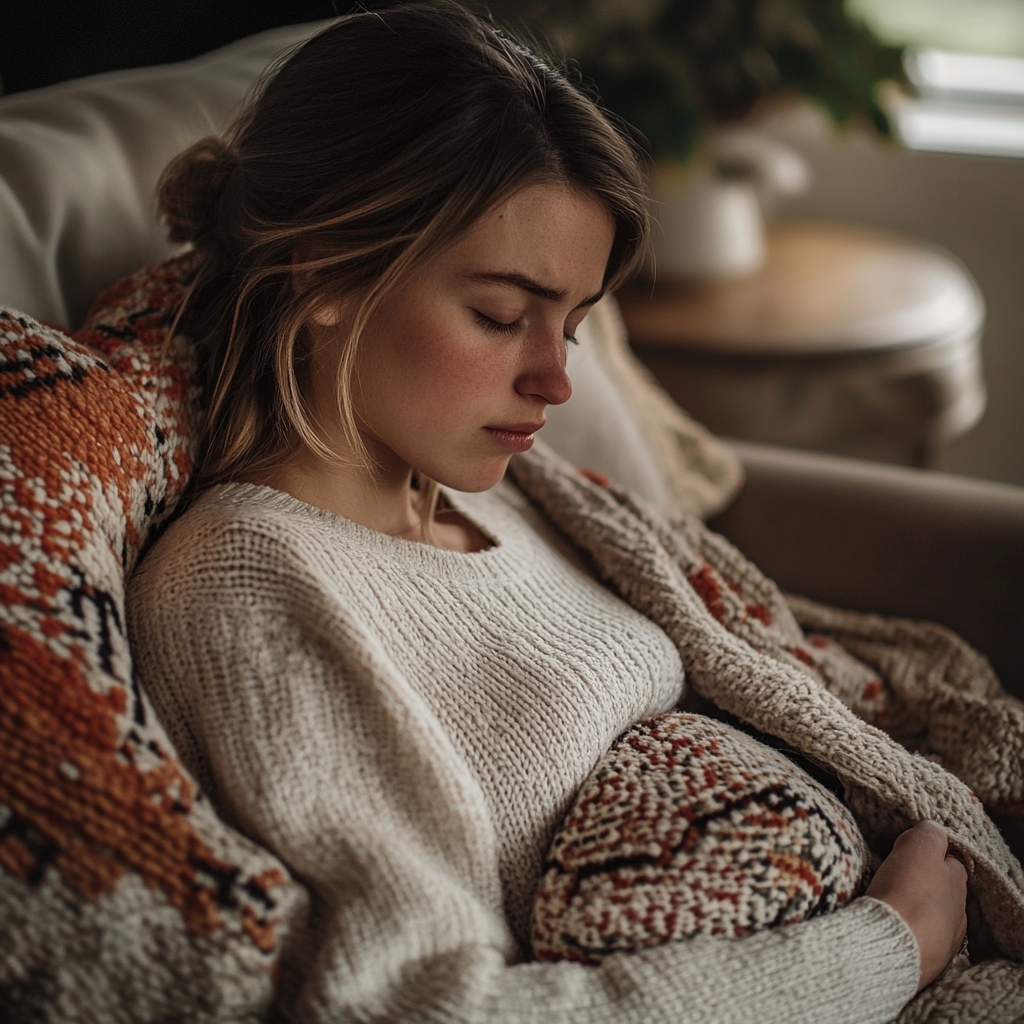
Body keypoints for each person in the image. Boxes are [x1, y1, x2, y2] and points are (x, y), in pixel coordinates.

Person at [126, 4, 970, 1021]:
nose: (554, 382)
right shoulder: (252, 594)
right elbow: (428, 1006)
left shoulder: (504, 488)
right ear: (326, 272)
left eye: (569, 325)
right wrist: (888, 948)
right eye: (497, 315)